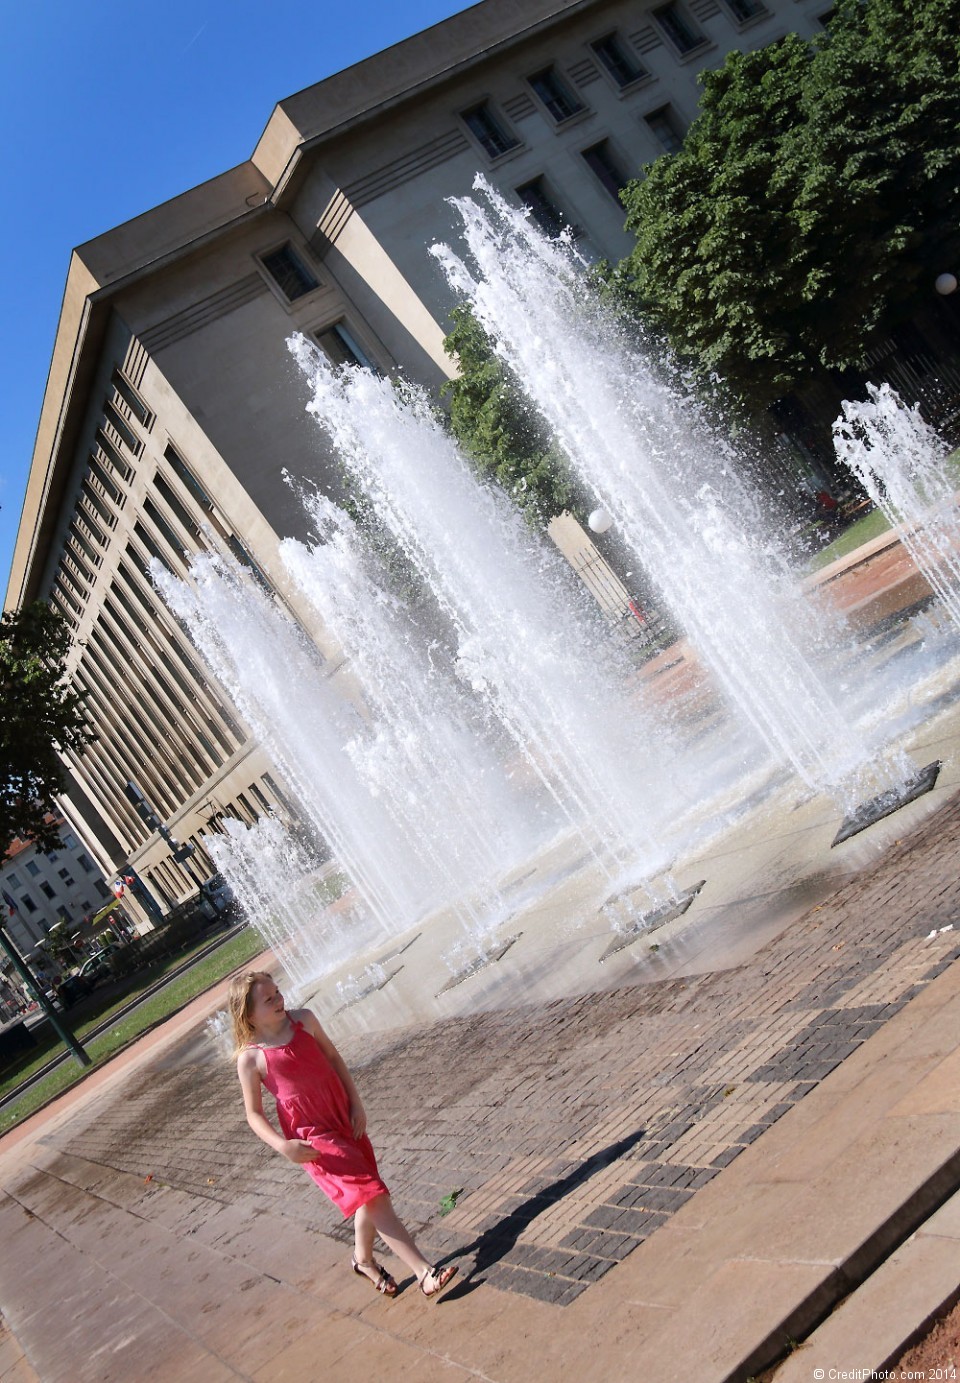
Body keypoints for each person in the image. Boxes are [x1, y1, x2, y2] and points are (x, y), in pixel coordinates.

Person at [230, 970, 457, 1300]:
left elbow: (334, 1057)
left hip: (342, 1116)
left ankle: (363, 1260)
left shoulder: (304, 1020)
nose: (279, 1000)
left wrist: (356, 1103)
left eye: (278, 992)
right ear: (248, 1013)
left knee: (367, 1191)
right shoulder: (250, 1058)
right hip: (313, 1137)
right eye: (269, 999)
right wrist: (283, 1146)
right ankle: (424, 1272)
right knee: (373, 1193)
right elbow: (253, 1113)